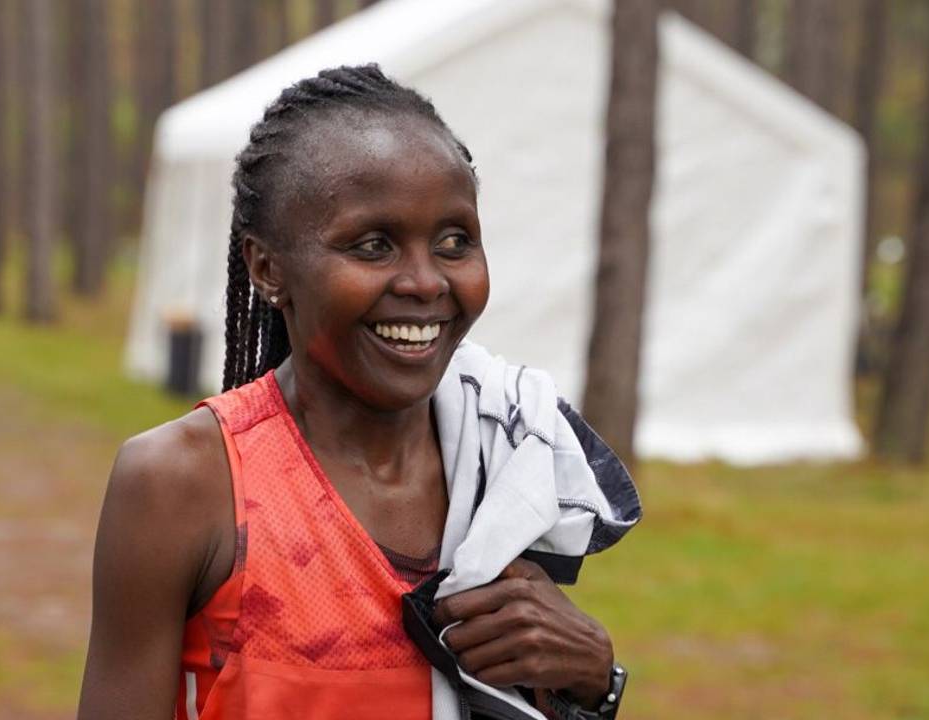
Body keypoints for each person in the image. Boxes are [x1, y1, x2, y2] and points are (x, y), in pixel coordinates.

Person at [77, 64, 630, 720]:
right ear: (267, 268)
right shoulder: (184, 484)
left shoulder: (511, 467)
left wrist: (596, 681)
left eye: (454, 242)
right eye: (374, 246)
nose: (426, 282)